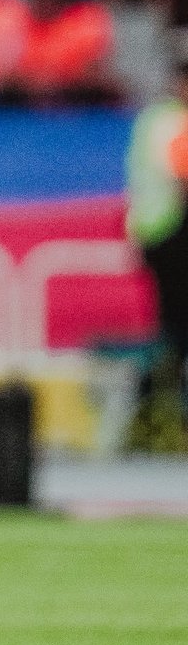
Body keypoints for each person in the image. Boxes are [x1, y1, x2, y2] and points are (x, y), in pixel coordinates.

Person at [126, 59, 188, 397]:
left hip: (154, 230)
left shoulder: (153, 118)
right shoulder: (173, 120)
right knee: (176, 327)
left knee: (170, 323)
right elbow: (182, 178)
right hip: (171, 231)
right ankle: (160, 402)